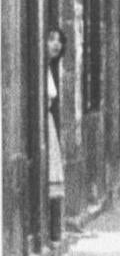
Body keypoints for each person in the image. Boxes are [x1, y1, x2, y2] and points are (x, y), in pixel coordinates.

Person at [46, 27, 67, 243]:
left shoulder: (50, 68)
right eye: (51, 39)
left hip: (48, 124)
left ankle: (54, 231)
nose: (56, 44)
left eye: (59, 40)